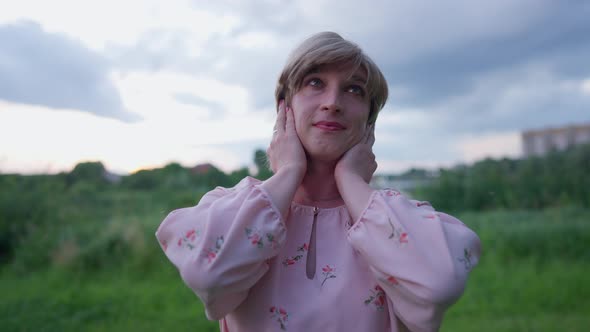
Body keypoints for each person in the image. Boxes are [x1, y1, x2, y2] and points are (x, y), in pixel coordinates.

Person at [155, 31, 481, 332]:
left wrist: (350, 180)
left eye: (354, 89)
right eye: (314, 83)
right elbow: (209, 276)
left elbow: (439, 284)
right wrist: (288, 173)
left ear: (369, 120)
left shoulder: (396, 219)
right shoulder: (232, 209)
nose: (333, 102)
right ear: (284, 106)